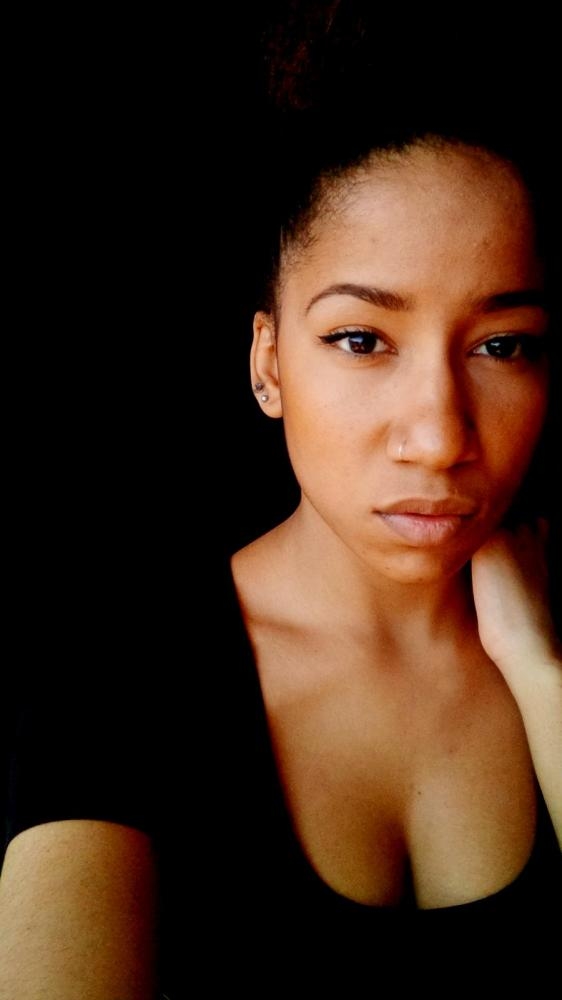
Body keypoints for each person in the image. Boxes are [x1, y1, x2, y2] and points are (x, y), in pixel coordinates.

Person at [1, 9, 561, 997]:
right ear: (267, 364)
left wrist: (541, 669)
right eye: (361, 339)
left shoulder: (556, 640)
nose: (439, 436)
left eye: (500, 345)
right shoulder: (121, 683)